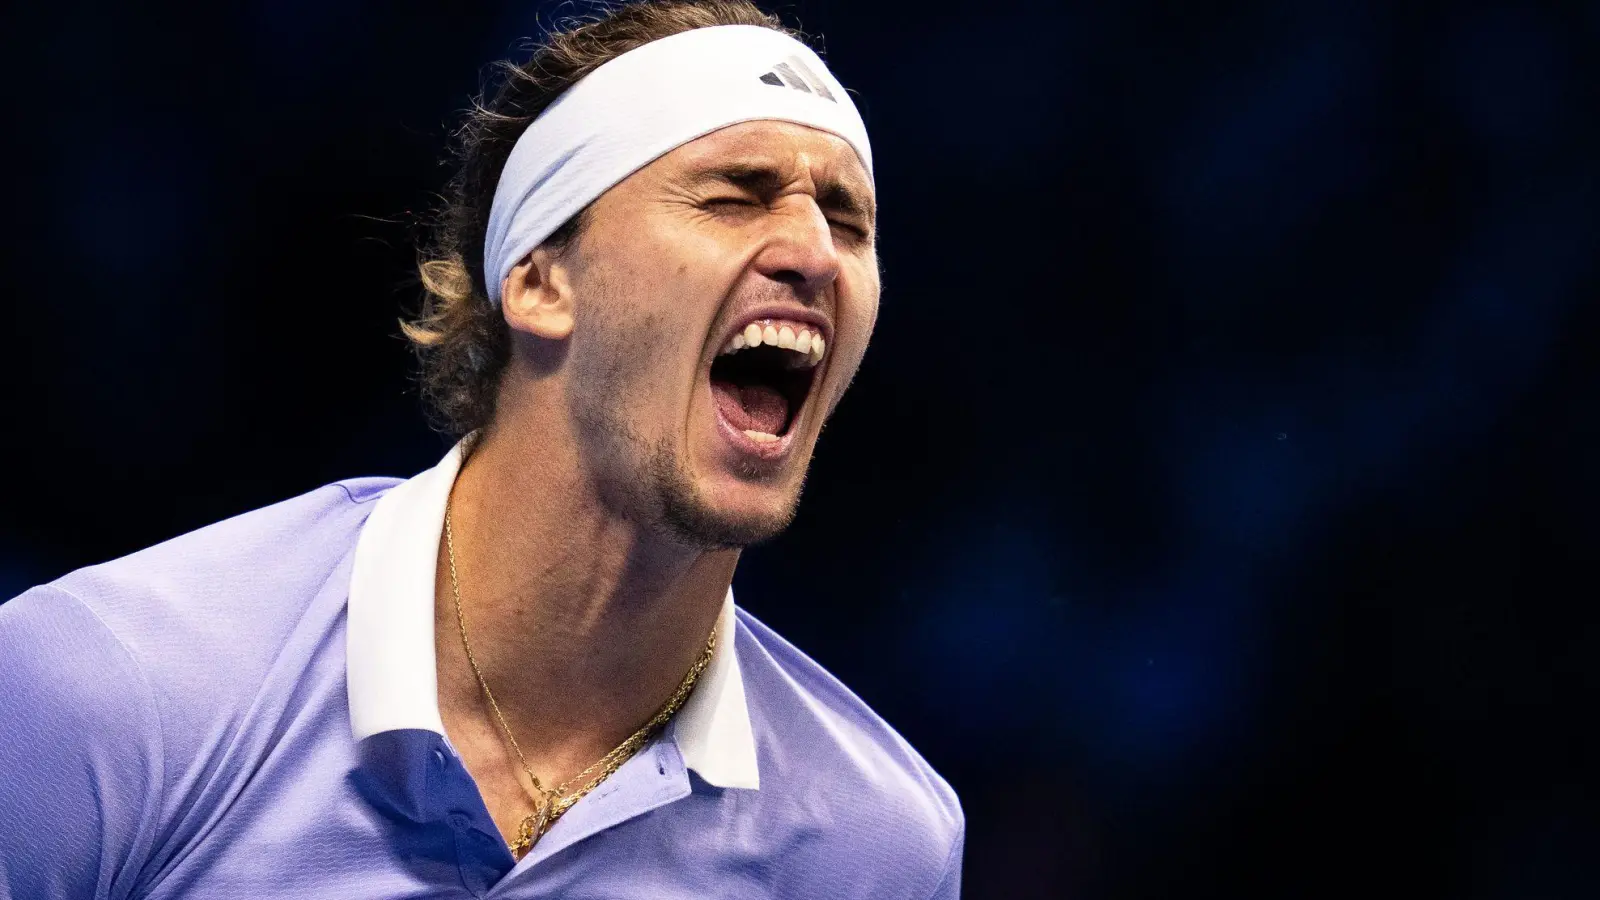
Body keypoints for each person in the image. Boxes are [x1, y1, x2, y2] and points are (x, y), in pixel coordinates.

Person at [0, 1, 962, 898]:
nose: (814, 252)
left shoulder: (877, 848)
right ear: (539, 281)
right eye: (733, 197)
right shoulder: (107, 688)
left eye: (849, 221)